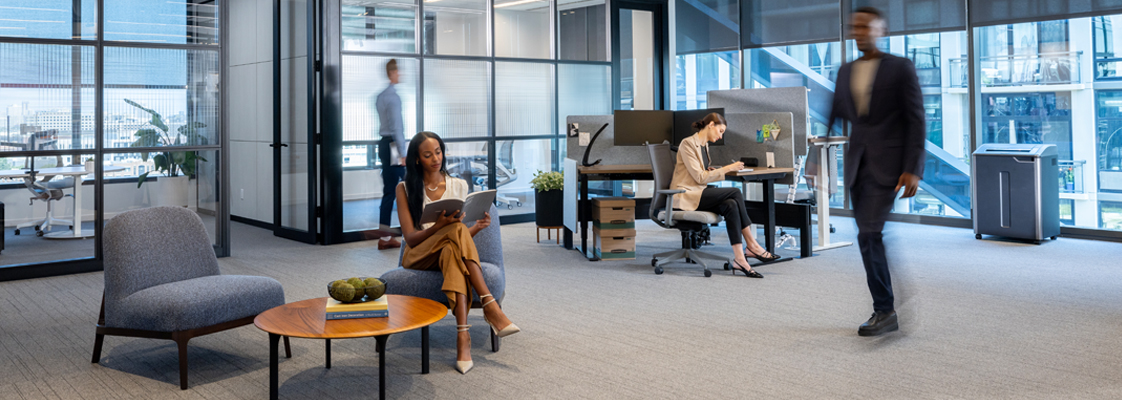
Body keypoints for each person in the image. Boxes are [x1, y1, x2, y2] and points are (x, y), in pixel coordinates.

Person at [826, 7, 925, 336]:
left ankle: (885, 310)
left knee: (869, 234)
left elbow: (916, 119)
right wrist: (816, 159)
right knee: (868, 237)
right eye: (855, 26)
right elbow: (835, 111)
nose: (859, 31)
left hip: (891, 167)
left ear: (881, 29)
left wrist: (913, 168)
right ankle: (886, 305)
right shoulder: (845, 71)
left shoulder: (900, 67)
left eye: (866, 26)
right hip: (858, 167)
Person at [396, 131, 520, 374]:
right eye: (428, 155)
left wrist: (476, 227)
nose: (435, 158)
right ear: (417, 159)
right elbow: (410, 238)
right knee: (453, 229)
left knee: (454, 246)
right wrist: (441, 226)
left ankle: (463, 337)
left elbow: (459, 240)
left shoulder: (458, 185)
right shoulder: (405, 189)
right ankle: (490, 306)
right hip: (418, 255)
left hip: (446, 251)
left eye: (439, 152)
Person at [669, 112, 781, 279]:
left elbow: (699, 173)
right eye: (720, 131)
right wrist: (728, 168)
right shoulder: (688, 144)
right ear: (711, 125)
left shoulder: (704, 145)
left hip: (698, 192)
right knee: (735, 192)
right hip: (685, 195)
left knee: (731, 204)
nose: (721, 136)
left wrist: (710, 170)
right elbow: (699, 178)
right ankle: (752, 245)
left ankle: (740, 259)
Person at [376, 59, 407, 250]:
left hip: (383, 145)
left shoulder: (380, 96)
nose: (400, 75)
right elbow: (397, 127)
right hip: (393, 146)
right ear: (392, 73)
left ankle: (385, 237)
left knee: (389, 191)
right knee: (409, 188)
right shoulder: (394, 98)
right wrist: (403, 153)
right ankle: (414, 233)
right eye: (398, 72)